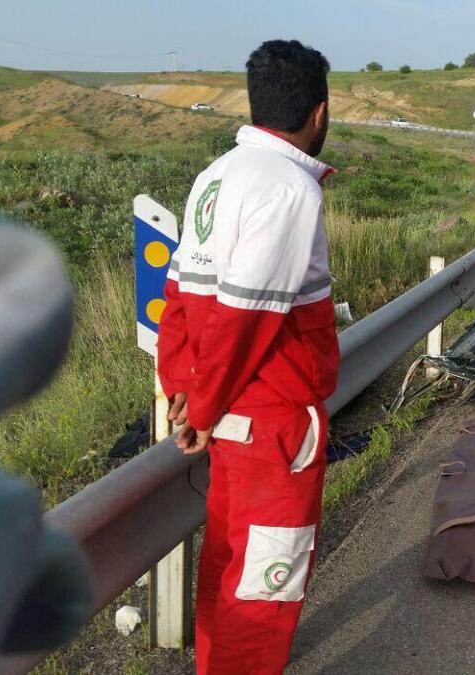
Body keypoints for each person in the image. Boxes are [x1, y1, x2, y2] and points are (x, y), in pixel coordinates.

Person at [156, 39, 339, 674]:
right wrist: (201, 408)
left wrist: (180, 385)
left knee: (227, 567)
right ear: (318, 113)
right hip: (270, 423)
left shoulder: (216, 176)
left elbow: (178, 292)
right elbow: (248, 316)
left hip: (229, 419)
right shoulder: (290, 189)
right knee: (263, 591)